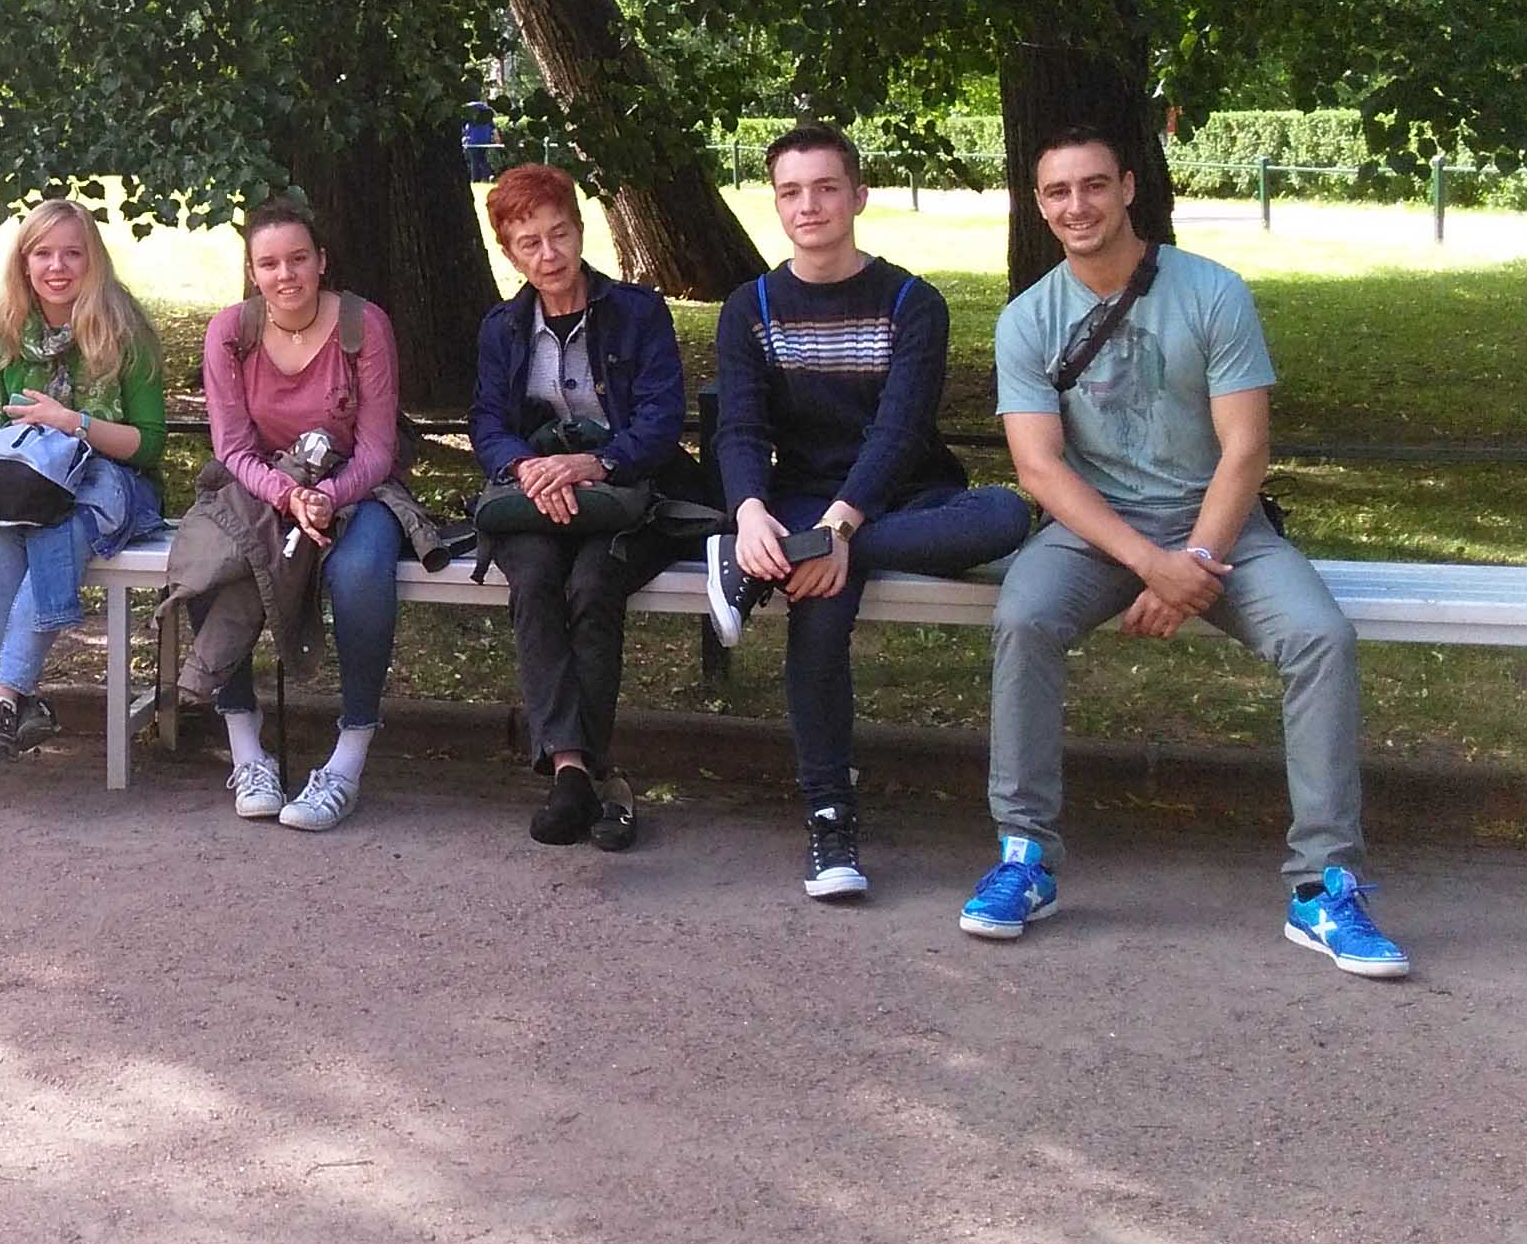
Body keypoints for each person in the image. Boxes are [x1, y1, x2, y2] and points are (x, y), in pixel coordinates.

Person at [969, 124, 1409, 978]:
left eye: (1094, 185)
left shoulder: (1212, 292)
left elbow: (1246, 448)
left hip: (1223, 526)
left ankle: (1324, 886)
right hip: (1097, 533)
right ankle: (1025, 858)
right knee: (1023, 618)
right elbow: (1039, 469)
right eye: (1058, 191)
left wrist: (1194, 565)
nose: (1077, 206)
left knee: (1320, 638)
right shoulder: (1028, 319)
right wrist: (1150, 564)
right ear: (1039, 203)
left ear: (1129, 187)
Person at [706, 125, 1034, 899]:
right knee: (821, 606)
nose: (809, 205)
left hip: (908, 496)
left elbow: (900, 430)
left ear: (857, 196)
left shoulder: (913, 302)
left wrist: (841, 530)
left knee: (1005, 516)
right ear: (776, 203)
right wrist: (749, 513)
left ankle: (798, 554)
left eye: (826, 188)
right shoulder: (750, 306)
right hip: (797, 498)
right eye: (791, 192)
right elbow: (741, 428)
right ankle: (829, 816)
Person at [178, 195, 435, 833]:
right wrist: (288, 495)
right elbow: (232, 448)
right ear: (252, 272)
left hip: (357, 487)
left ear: (321, 260)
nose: (285, 274)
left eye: (297, 259)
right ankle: (247, 751)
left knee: (359, 573)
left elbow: (376, 450)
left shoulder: (364, 325)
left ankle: (348, 758)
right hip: (262, 483)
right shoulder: (229, 332)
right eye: (269, 264)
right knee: (211, 560)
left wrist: (328, 496)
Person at [469, 164, 689, 854]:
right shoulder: (502, 328)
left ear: (580, 229)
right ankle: (574, 772)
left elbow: (661, 419)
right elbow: (487, 423)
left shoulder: (638, 312)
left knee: (594, 583)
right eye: (529, 243)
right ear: (510, 253)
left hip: (624, 496)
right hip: (534, 497)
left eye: (559, 233)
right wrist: (528, 468)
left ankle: (576, 777)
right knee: (535, 580)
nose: (549, 254)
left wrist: (597, 462)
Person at [0, 198, 168, 758]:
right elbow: (10, 428)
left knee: (61, 524)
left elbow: (149, 445)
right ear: (24, 263)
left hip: (114, 479)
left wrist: (73, 422)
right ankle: (20, 699)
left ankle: (3, 695)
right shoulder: (8, 334)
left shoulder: (126, 331)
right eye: (43, 254)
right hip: (38, 476)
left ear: (93, 260)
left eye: (72, 253)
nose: (57, 267)